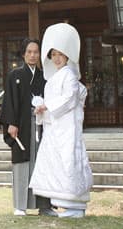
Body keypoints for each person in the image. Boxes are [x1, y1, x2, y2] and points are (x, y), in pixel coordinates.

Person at [29, 22, 93, 218]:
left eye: (60, 54)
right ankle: (66, 205)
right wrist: (41, 108)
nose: (57, 58)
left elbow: (69, 98)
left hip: (67, 127)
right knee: (57, 163)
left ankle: (76, 207)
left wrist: (47, 106)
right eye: (53, 54)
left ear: (67, 56)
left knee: (69, 160)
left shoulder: (70, 76)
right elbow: (51, 101)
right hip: (54, 128)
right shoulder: (54, 78)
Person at [0, 38, 53, 216]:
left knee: (42, 163)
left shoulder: (44, 77)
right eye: (29, 52)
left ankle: (44, 206)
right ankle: (20, 205)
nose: (32, 55)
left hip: (41, 124)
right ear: (23, 54)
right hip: (21, 125)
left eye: (36, 52)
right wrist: (11, 123)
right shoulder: (15, 75)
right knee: (22, 163)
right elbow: (10, 102)